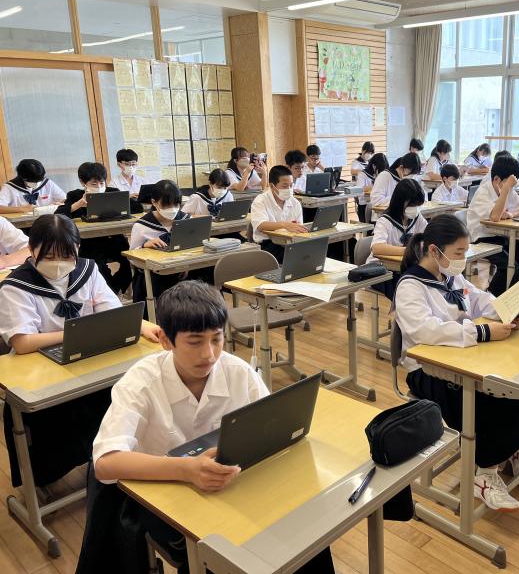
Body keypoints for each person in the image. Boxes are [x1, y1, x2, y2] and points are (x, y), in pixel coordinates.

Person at [80, 281, 334, 574]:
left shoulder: (237, 372)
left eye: (217, 339)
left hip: (229, 490)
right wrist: (185, 470)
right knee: (224, 557)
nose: (209, 354)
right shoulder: (141, 383)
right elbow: (105, 464)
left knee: (304, 536)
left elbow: (271, 424)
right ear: (165, 340)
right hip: (167, 498)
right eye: (195, 342)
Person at [395, 214, 519, 512]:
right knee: (493, 397)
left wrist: (506, 312)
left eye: (465, 252)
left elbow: (479, 299)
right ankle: (486, 472)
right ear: (433, 250)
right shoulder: (410, 286)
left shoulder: (451, 276)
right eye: (458, 253)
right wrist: (482, 332)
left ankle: (516, 446)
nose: (463, 259)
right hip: (428, 371)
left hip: (464, 358)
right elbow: (425, 331)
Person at [0, 215, 159, 492]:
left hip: (88, 356)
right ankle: (47, 479)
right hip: (42, 371)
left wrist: (141, 325)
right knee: (56, 423)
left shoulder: (87, 270)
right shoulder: (16, 286)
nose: (58, 263)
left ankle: (112, 455)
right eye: (49, 256)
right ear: (31, 249)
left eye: (67, 255)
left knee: (121, 391)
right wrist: (75, 333)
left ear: (77, 248)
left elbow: (110, 310)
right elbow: (23, 342)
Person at [55, 162, 142, 295]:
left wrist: (122, 202)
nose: (99, 187)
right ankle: (110, 293)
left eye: (102, 183)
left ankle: (113, 290)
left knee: (131, 261)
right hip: (88, 243)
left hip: (114, 239)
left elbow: (138, 208)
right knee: (98, 268)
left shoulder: (112, 192)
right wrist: (78, 204)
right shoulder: (75, 195)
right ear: (83, 183)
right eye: (94, 184)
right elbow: (58, 216)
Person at [466, 153, 519, 296]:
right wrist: (505, 190)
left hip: (502, 237)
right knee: (510, 267)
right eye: (508, 183)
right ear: (496, 179)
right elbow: (495, 216)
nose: (510, 188)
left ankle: (517, 296)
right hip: (482, 240)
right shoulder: (483, 192)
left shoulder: (507, 189)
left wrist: (512, 214)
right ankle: (493, 297)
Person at [129, 180, 197, 317]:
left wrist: (186, 265)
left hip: (183, 269)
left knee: (203, 278)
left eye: (176, 204)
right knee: (151, 284)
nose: (172, 209)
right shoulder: (142, 226)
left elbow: (193, 246)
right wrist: (144, 246)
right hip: (154, 274)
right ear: (154, 202)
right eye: (166, 205)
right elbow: (132, 258)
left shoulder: (186, 219)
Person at [367, 179, 426, 298]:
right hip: (381, 270)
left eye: (418, 205)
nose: (415, 208)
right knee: (408, 290)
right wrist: (408, 251)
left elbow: (429, 236)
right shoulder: (385, 221)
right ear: (400, 202)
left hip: (403, 267)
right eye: (412, 205)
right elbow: (377, 248)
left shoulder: (416, 218)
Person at [251, 165, 305, 263]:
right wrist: (284, 225)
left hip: (290, 243)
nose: (289, 189)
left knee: (311, 253)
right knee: (297, 259)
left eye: (291, 185)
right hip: (268, 245)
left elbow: (299, 227)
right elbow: (261, 225)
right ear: (272, 186)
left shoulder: (295, 202)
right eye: (285, 186)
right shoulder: (260, 200)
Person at [0, 158, 66, 214]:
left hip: (47, 220)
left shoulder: (47, 183)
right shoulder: (9, 187)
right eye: (33, 181)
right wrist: (21, 209)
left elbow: (64, 199)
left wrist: (59, 204)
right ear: (22, 177)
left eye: (39, 180)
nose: (36, 184)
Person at [356, 152, 388, 223]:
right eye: (380, 170)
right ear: (373, 166)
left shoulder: (383, 175)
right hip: (365, 205)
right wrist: (376, 185)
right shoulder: (363, 174)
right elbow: (359, 189)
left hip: (379, 205)